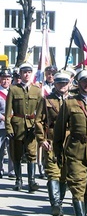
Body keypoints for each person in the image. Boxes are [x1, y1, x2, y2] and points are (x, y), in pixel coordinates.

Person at [53, 67, 87, 216]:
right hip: (75, 149)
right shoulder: (69, 103)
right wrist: (57, 151)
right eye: (85, 81)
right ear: (78, 83)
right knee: (77, 186)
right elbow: (59, 129)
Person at [35, 70, 71, 216]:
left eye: (65, 82)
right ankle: (55, 203)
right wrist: (41, 140)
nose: (62, 85)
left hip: (69, 142)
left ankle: (60, 201)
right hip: (51, 140)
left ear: (69, 84)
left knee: (64, 175)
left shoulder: (74, 101)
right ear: (54, 83)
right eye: (59, 82)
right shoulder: (46, 100)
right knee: (53, 173)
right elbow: (38, 121)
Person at [5, 62, 43, 192]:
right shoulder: (13, 89)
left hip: (31, 126)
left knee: (32, 153)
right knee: (16, 154)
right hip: (17, 125)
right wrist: (8, 127)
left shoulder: (37, 90)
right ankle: (18, 180)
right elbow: (8, 110)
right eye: (24, 72)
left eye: (29, 72)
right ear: (20, 74)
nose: (26, 75)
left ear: (32, 74)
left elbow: (40, 111)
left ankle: (31, 181)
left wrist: (38, 127)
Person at [0, 68, 14, 179]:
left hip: (12, 125)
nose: (5, 81)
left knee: (12, 149)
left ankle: (12, 171)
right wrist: (3, 117)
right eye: (3, 79)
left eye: (7, 79)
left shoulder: (14, 91)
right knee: (0, 149)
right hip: (0, 124)